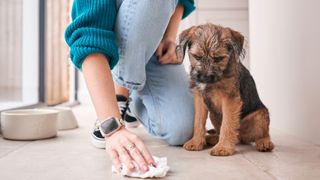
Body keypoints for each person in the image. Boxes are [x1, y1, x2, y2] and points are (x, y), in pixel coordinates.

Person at [65, 0, 195, 173]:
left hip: (154, 41)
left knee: (181, 130)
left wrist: (169, 37)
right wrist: (112, 128)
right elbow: (89, 37)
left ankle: (131, 98)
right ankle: (119, 97)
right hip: (109, 49)